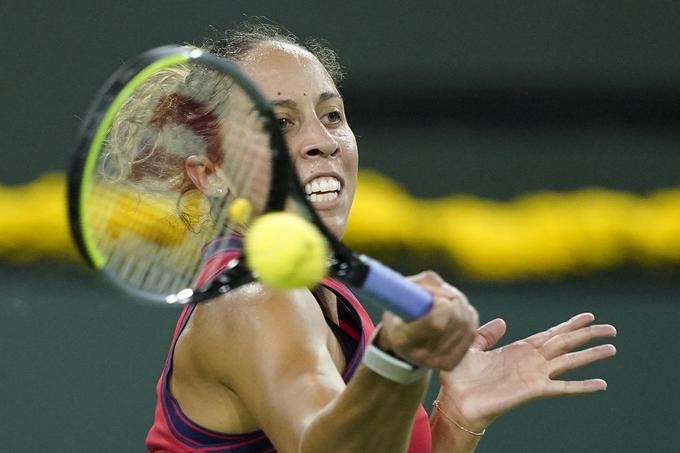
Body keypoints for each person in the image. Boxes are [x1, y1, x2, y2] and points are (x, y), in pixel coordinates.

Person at [144, 21, 617, 452]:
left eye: (331, 115)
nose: (323, 141)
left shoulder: (316, 295)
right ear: (210, 173)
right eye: (279, 122)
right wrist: (396, 361)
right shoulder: (255, 299)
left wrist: (456, 420)